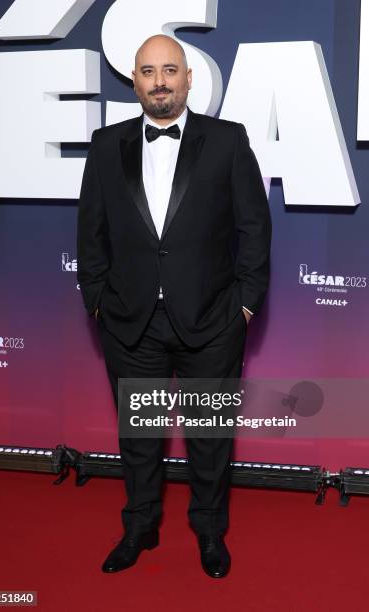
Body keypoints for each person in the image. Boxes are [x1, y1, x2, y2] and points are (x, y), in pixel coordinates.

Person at [77, 34, 271, 578]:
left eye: (169, 70)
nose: (158, 81)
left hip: (212, 322)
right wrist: (96, 301)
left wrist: (246, 306)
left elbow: (254, 230)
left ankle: (210, 532)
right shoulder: (106, 144)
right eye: (147, 71)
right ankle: (139, 529)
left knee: (209, 439)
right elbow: (90, 235)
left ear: (189, 78)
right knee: (139, 437)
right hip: (131, 323)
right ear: (133, 80)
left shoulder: (228, 142)